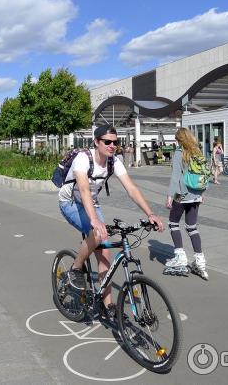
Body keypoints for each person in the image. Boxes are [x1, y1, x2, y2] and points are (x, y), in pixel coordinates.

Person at [59, 124, 165, 319]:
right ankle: (75, 268)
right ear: (96, 142)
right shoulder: (84, 159)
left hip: (92, 202)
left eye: (115, 142)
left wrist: (151, 214)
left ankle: (107, 306)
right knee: (98, 234)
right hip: (70, 202)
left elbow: (131, 189)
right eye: (107, 142)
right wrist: (94, 221)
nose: (112, 146)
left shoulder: (113, 161)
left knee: (105, 252)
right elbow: (83, 189)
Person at [164, 127, 208, 280]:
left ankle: (180, 255)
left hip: (181, 193)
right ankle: (200, 261)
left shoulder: (179, 153)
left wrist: (170, 196)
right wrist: (201, 194)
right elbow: (203, 174)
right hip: (196, 194)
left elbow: (176, 176)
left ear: (179, 140)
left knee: (173, 223)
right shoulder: (197, 151)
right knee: (192, 227)